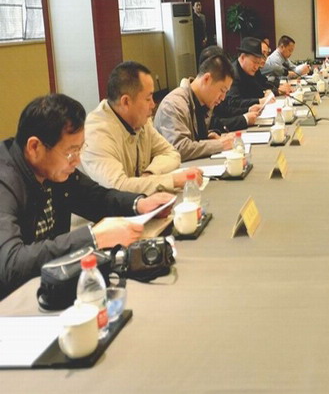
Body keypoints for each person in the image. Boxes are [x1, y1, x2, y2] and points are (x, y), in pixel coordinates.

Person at [0, 94, 173, 299]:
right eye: (70, 152)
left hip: (51, 284)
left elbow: (96, 198)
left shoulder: (52, 170)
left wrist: (139, 204)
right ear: (34, 147)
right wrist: (93, 237)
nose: (77, 161)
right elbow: (10, 265)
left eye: (80, 149)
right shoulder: (6, 182)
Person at [82, 62, 202, 194]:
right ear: (126, 102)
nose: (153, 105)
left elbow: (171, 153)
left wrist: (150, 174)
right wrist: (173, 180)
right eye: (148, 99)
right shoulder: (97, 134)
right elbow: (117, 187)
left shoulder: (140, 121)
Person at [154, 54, 237, 161]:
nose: (223, 98)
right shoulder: (174, 104)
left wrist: (208, 137)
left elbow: (194, 137)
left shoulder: (203, 102)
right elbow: (179, 148)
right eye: (222, 90)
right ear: (206, 79)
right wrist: (219, 145)